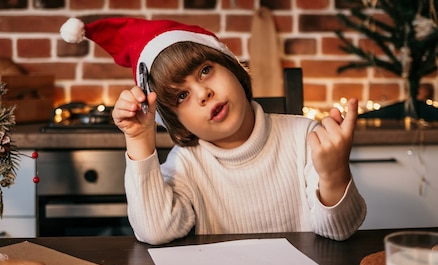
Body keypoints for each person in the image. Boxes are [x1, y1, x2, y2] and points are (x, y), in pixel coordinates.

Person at [60, 16, 367, 245]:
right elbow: (155, 231)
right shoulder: (186, 163)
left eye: (205, 71)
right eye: (182, 96)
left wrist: (334, 176)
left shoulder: (305, 139)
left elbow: (340, 231)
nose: (203, 93)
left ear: (233, 68)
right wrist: (139, 140)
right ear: (175, 121)